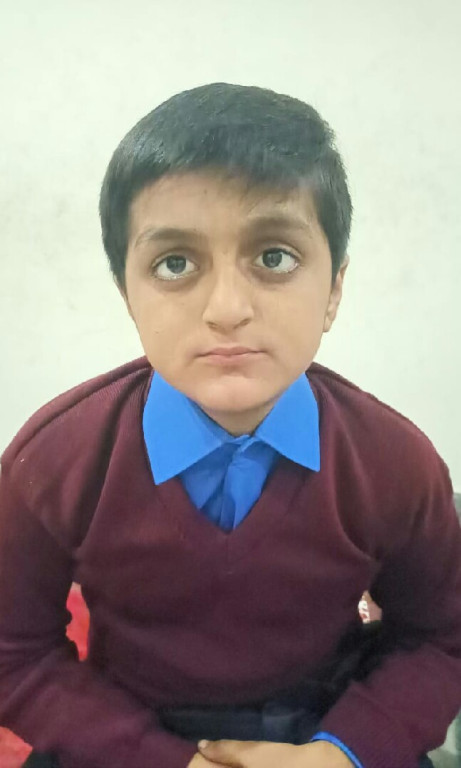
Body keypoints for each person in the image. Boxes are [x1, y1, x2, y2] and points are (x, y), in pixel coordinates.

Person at [0, 82, 460, 768]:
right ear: (127, 294)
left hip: (324, 730)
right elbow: (15, 654)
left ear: (333, 289)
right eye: (174, 264)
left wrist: (341, 753)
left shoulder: (394, 463)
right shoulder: (52, 463)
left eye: (273, 257)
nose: (226, 308)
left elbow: (441, 638)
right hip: (124, 736)